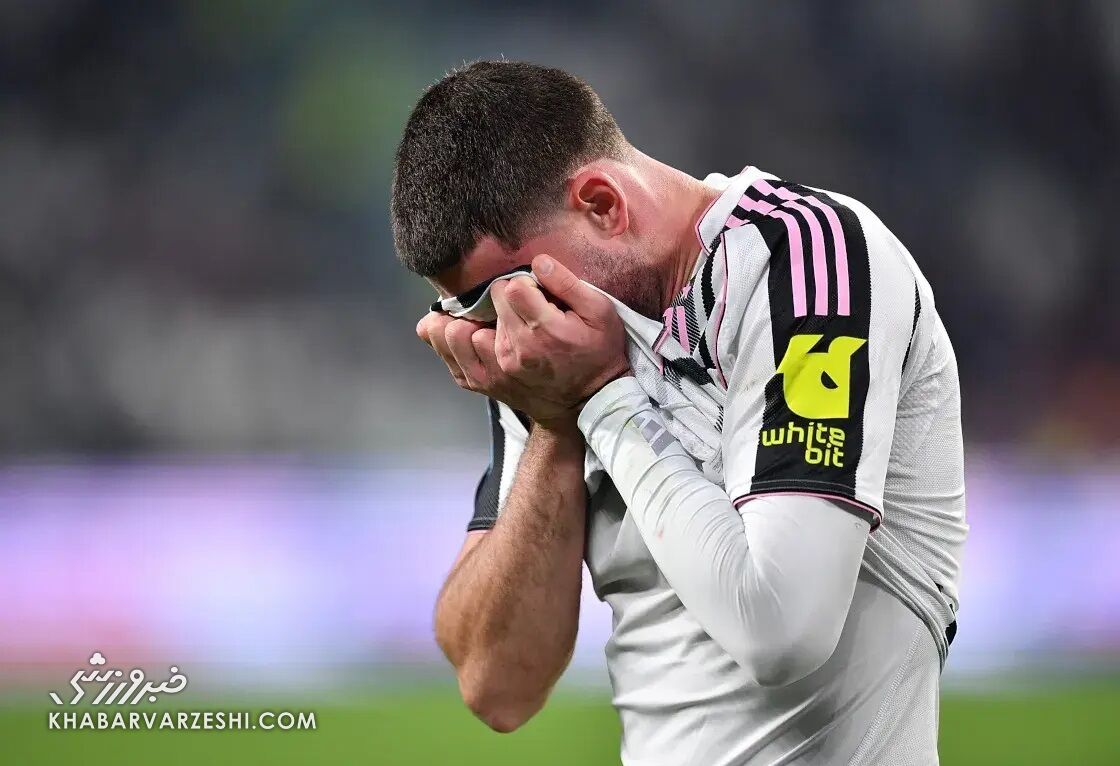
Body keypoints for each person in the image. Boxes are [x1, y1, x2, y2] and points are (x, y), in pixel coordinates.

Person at [391, 60, 967, 765]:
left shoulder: (804, 259)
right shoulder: (548, 359)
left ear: (602, 204)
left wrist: (602, 398)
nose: (506, 332)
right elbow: (497, 686)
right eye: (472, 311)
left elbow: (781, 630)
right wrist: (554, 424)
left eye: (505, 294)